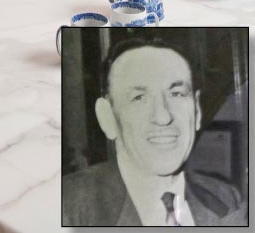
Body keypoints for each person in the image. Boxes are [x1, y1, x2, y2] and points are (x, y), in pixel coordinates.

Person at [63, 37, 247, 226]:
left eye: (176, 94)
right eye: (139, 97)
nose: (163, 116)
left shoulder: (225, 198)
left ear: (197, 111)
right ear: (107, 117)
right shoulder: (67, 207)